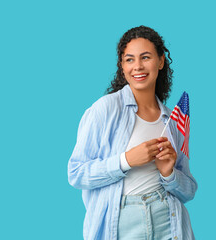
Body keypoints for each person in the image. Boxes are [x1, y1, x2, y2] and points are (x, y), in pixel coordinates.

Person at [68, 25, 197, 240]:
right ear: (122, 66)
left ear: (161, 61)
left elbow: (189, 191)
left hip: (169, 220)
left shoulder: (172, 120)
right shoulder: (105, 110)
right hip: (123, 223)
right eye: (129, 59)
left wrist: (169, 174)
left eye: (145, 57)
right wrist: (126, 160)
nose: (137, 66)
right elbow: (76, 174)